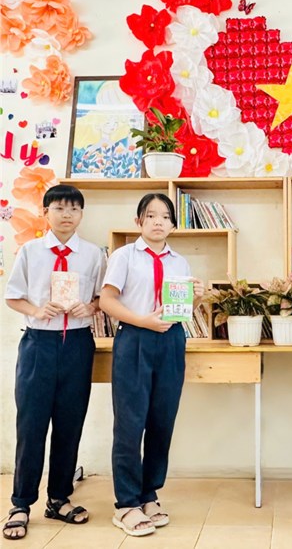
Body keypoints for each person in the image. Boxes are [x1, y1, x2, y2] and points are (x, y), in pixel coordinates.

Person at [3, 185, 106, 541]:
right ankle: (20, 504)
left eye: (74, 209)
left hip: (77, 343)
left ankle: (59, 498)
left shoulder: (93, 254)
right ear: (46, 212)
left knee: (69, 424)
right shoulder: (30, 251)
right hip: (38, 344)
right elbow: (13, 297)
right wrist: (37, 310)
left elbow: (102, 297)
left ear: (81, 215)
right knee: (31, 425)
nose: (67, 215)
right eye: (59, 208)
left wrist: (90, 307)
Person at [99, 193, 205, 537]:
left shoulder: (180, 262)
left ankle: (149, 494)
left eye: (165, 216)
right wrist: (142, 321)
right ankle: (126, 504)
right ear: (139, 222)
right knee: (130, 424)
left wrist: (196, 299)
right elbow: (107, 301)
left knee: (162, 421)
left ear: (173, 224)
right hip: (135, 338)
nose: (158, 222)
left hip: (171, 340)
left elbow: (179, 308)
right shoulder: (124, 256)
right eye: (151, 215)